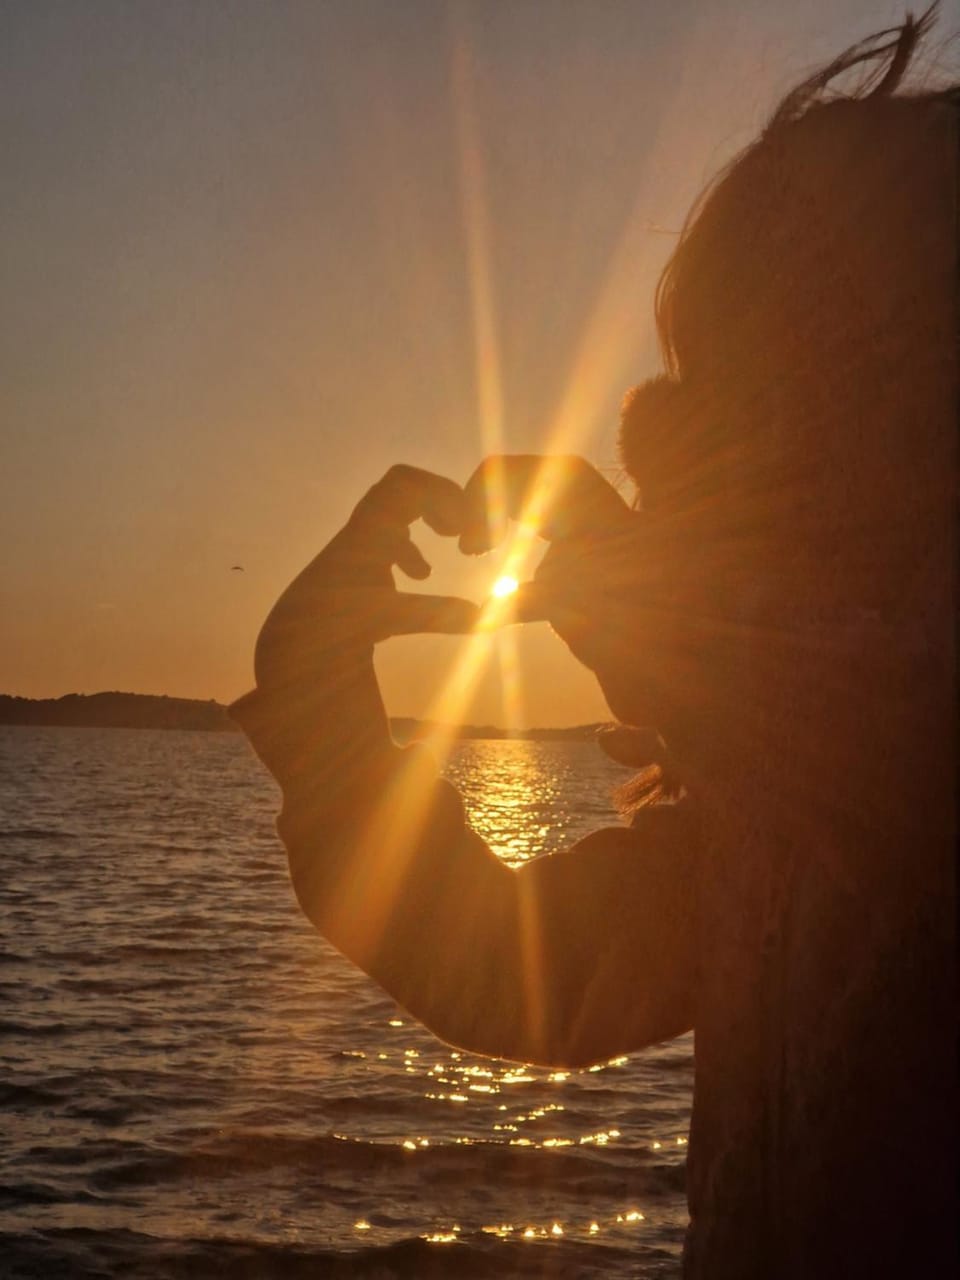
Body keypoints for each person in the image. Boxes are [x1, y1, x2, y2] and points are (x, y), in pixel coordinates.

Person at [231, 15, 957, 1277]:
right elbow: (533, 971)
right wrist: (325, 725)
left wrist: (631, 579)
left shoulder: (882, 748)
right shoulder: (765, 817)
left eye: (808, 374)